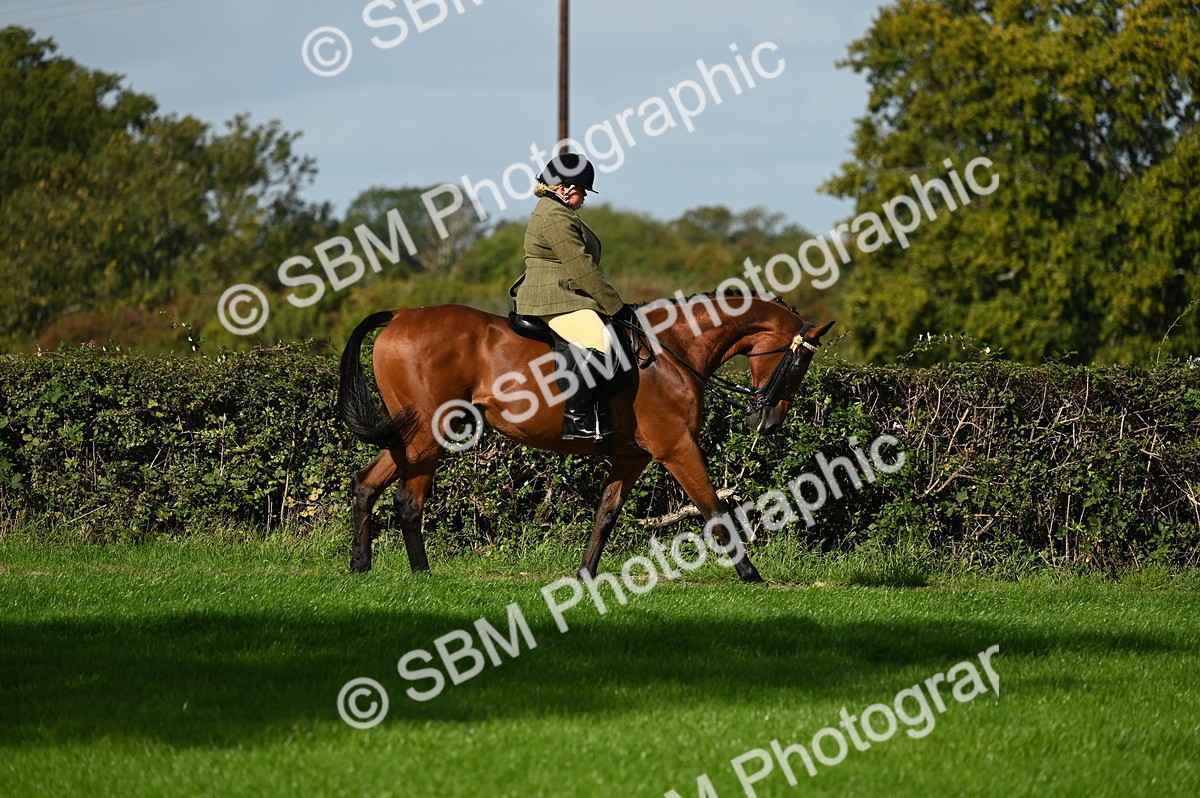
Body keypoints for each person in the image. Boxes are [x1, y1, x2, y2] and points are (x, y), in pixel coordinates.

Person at [509, 152, 631, 440]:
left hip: (563, 293)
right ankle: (574, 420)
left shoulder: (557, 211)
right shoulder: (553, 216)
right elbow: (580, 266)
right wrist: (615, 306)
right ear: (563, 189)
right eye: (582, 192)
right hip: (552, 296)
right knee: (597, 340)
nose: (585, 198)